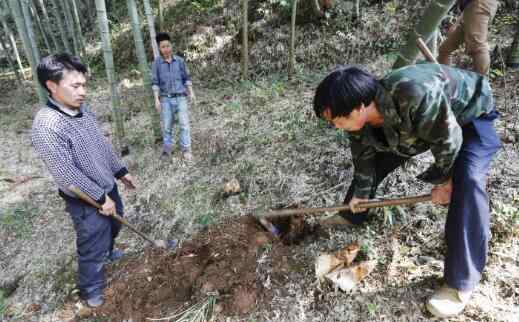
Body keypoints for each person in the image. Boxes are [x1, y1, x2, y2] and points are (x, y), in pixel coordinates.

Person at [313, 64, 501, 318]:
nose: (337, 127)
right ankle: (351, 216)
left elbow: (449, 139)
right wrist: (361, 193)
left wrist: (445, 181)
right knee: (374, 164)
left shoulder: (413, 92)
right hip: (424, 126)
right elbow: (364, 157)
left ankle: (460, 284)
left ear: (358, 108)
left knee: (467, 180)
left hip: (468, 117)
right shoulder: (360, 120)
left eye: (338, 120)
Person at [31, 54, 136, 308]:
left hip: (106, 186)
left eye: (84, 85)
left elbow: (101, 144)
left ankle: (109, 253)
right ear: (52, 86)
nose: (82, 92)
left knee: (113, 224)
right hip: (84, 198)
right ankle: (91, 290)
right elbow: (66, 173)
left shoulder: (83, 111)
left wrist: (120, 171)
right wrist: (100, 199)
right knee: (93, 241)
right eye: (75, 86)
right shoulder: (46, 125)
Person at [151, 32, 196, 160]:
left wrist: (191, 92)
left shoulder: (180, 61)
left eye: (168, 46)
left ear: (171, 46)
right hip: (166, 99)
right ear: (160, 49)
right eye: (163, 47)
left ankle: (186, 149)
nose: (166, 49)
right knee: (167, 126)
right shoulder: (157, 64)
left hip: (181, 97)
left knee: (184, 124)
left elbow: (186, 78)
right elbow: (155, 83)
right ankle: (167, 150)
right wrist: (156, 100)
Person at [438, 0, 498, 75]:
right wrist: (456, 24)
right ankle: (445, 78)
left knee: (478, 47)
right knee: (445, 49)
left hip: (479, 4)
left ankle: (480, 84)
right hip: (471, 8)